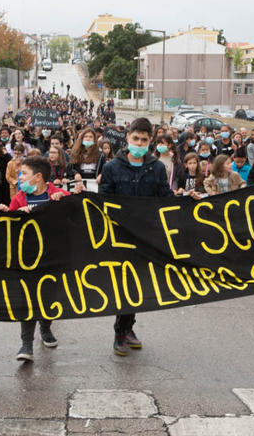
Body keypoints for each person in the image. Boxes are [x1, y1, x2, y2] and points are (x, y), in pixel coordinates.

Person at [99, 117, 173, 356]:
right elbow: (104, 200)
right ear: (128, 138)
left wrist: (187, 199)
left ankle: (128, 329)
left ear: (150, 141)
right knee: (124, 286)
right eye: (135, 139)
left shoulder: (157, 167)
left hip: (146, 236)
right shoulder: (112, 167)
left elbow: (165, 197)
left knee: (138, 284)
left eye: (144, 139)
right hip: (119, 236)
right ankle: (120, 333)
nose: (139, 143)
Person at [0, 156, 72, 362]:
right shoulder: (19, 199)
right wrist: (11, 215)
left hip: (52, 257)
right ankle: (26, 343)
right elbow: (9, 229)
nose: (20, 178)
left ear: (39, 177)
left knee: (49, 296)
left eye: (24, 174)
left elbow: (77, 211)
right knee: (27, 300)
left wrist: (66, 200)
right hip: (28, 258)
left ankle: (46, 329)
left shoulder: (58, 195)